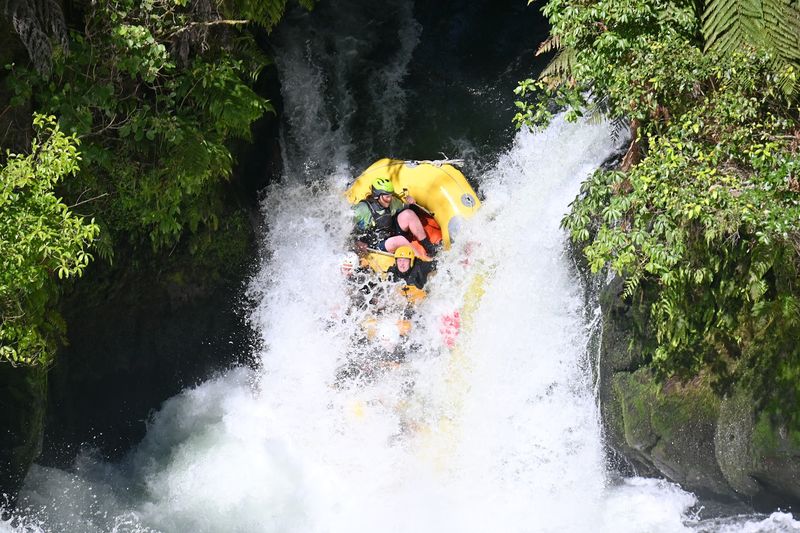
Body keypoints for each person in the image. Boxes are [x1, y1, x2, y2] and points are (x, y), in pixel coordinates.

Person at [353, 176, 437, 257]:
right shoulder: (361, 210)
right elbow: (343, 228)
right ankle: (421, 260)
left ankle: (429, 247)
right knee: (400, 240)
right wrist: (356, 242)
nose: (390, 199)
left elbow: (407, 211)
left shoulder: (392, 202)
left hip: (390, 233)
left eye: (391, 195)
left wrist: (412, 204)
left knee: (408, 214)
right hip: (374, 244)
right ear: (377, 196)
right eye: (387, 196)